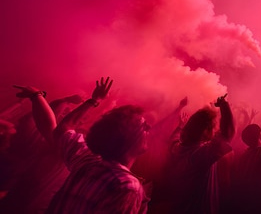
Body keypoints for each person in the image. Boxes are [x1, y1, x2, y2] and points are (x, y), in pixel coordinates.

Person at [16, 77, 150, 214]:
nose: (149, 129)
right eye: (144, 127)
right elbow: (52, 127)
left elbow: (62, 129)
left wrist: (96, 101)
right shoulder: (125, 185)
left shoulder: (86, 161)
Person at [152, 94, 235, 214]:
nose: (216, 130)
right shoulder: (200, 155)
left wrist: (180, 127)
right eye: (213, 127)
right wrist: (224, 105)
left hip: (181, 206)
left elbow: (173, 139)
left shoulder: (178, 148)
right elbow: (227, 133)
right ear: (205, 130)